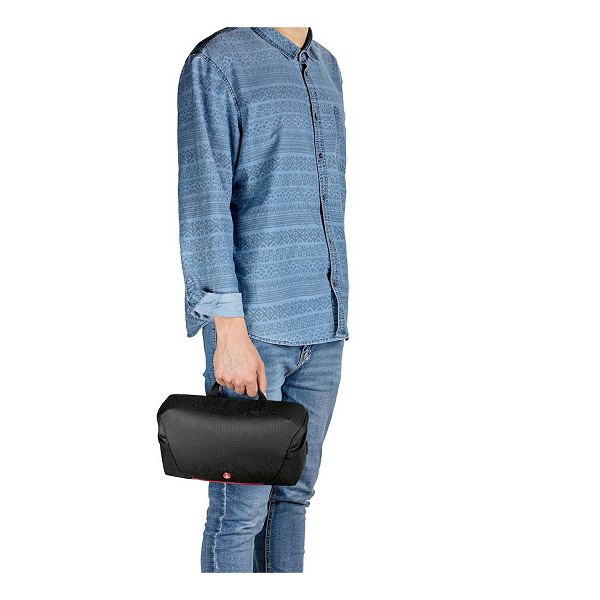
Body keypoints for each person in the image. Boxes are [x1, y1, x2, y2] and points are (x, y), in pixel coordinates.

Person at [177, 26, 349, 573]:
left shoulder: (327, 66)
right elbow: (204, 202)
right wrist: (227, 330)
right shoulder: (218, 62)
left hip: (324, 327)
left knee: (293, 499)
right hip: (253, 332)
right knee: (239, 514)